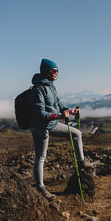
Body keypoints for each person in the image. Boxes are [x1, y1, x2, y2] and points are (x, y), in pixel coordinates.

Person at [29, 58, 93, 201]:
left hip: (51, 124)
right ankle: (40, 188)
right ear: (46, 71)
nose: (57, 73)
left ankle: (82, 161)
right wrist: (57, 116)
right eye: (54, 70)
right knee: (41, 157)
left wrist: (70, 111)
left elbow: (58, 103)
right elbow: (39, 113)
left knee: (77, 134)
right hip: (40, 127)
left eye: (57, 70)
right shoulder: (38, 89)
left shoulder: (51, 86)